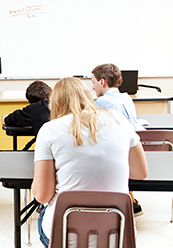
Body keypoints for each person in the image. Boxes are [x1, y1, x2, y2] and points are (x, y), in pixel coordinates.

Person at [31, 77, 148, 248]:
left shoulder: (49, 130)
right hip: (117, 234)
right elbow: (140, 172)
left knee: (43, 214)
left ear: (55, 105)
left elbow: (42, 195)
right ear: (88, 97)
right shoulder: (119, 120)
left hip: (66, 237)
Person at [91, 63, 145, 216]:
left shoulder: (101, 103)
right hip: (137, 151)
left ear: (102, 82)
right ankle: (131, 200)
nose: (93, 87)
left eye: (93, 82)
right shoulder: (126, 98)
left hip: (120, 154)